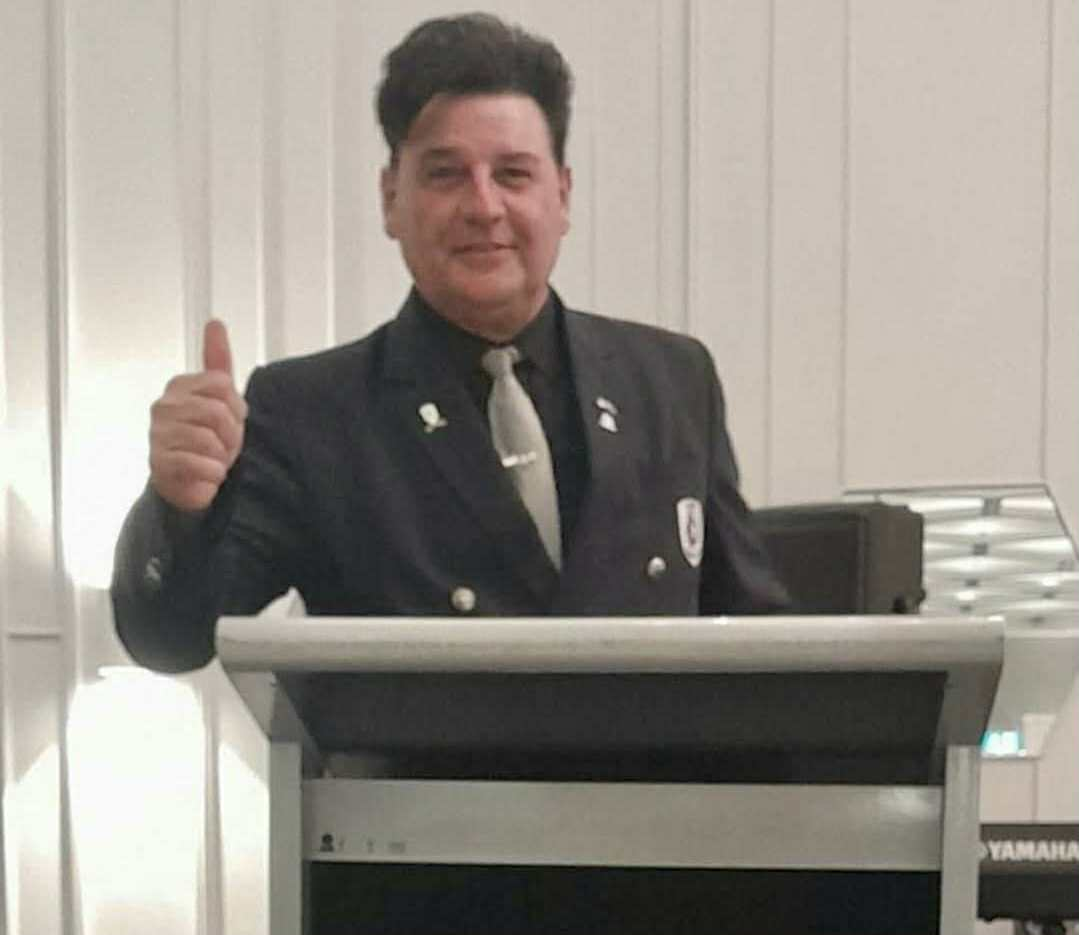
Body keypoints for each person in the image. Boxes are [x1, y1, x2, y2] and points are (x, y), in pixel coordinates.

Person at [111, 12, 789, 673]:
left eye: (513, 174)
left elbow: (757, 640)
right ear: (390, 199)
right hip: (421, 758)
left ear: (562, 194)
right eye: (445, 174)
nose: (484, 207)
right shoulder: (310, 412)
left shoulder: (670, 382)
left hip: (647, 758)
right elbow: (171, 638)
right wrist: (179, 510)